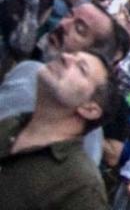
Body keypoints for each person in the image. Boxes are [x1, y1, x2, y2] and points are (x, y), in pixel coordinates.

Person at [0, 48, 117, 209]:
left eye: (81, 68)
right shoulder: (11, 124)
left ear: (89, 109)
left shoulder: (81, 187)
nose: (64, 56)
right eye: (72, 54)